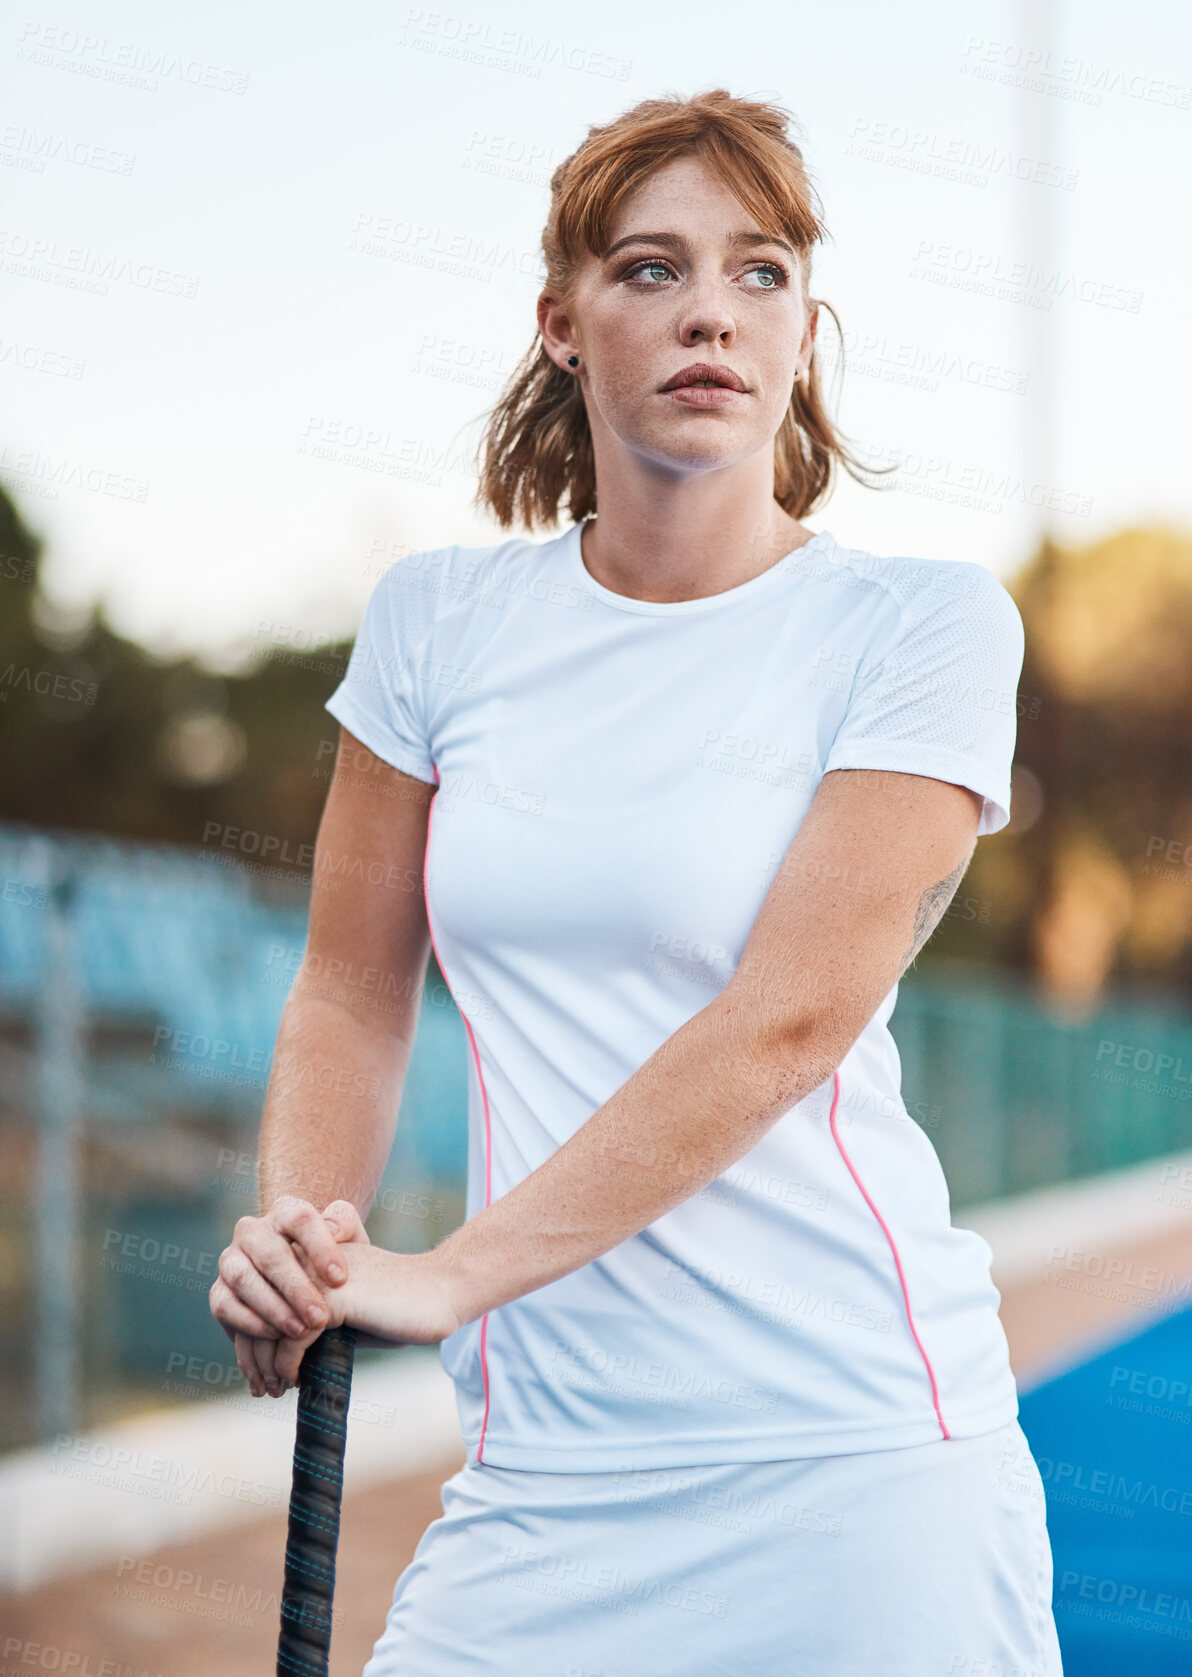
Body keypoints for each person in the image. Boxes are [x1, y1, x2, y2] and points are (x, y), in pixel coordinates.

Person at [210, 88, 1064, 1675]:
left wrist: (442, 1276)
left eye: (759, 274)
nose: (711, 317)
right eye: (651, 270)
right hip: (544, 1479)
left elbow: (786, 1024)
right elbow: (348, 984)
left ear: (807, 329)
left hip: (855, 1465)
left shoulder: (924, 627)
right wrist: (307, 1243)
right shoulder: (436, 623)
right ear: (562, 322)